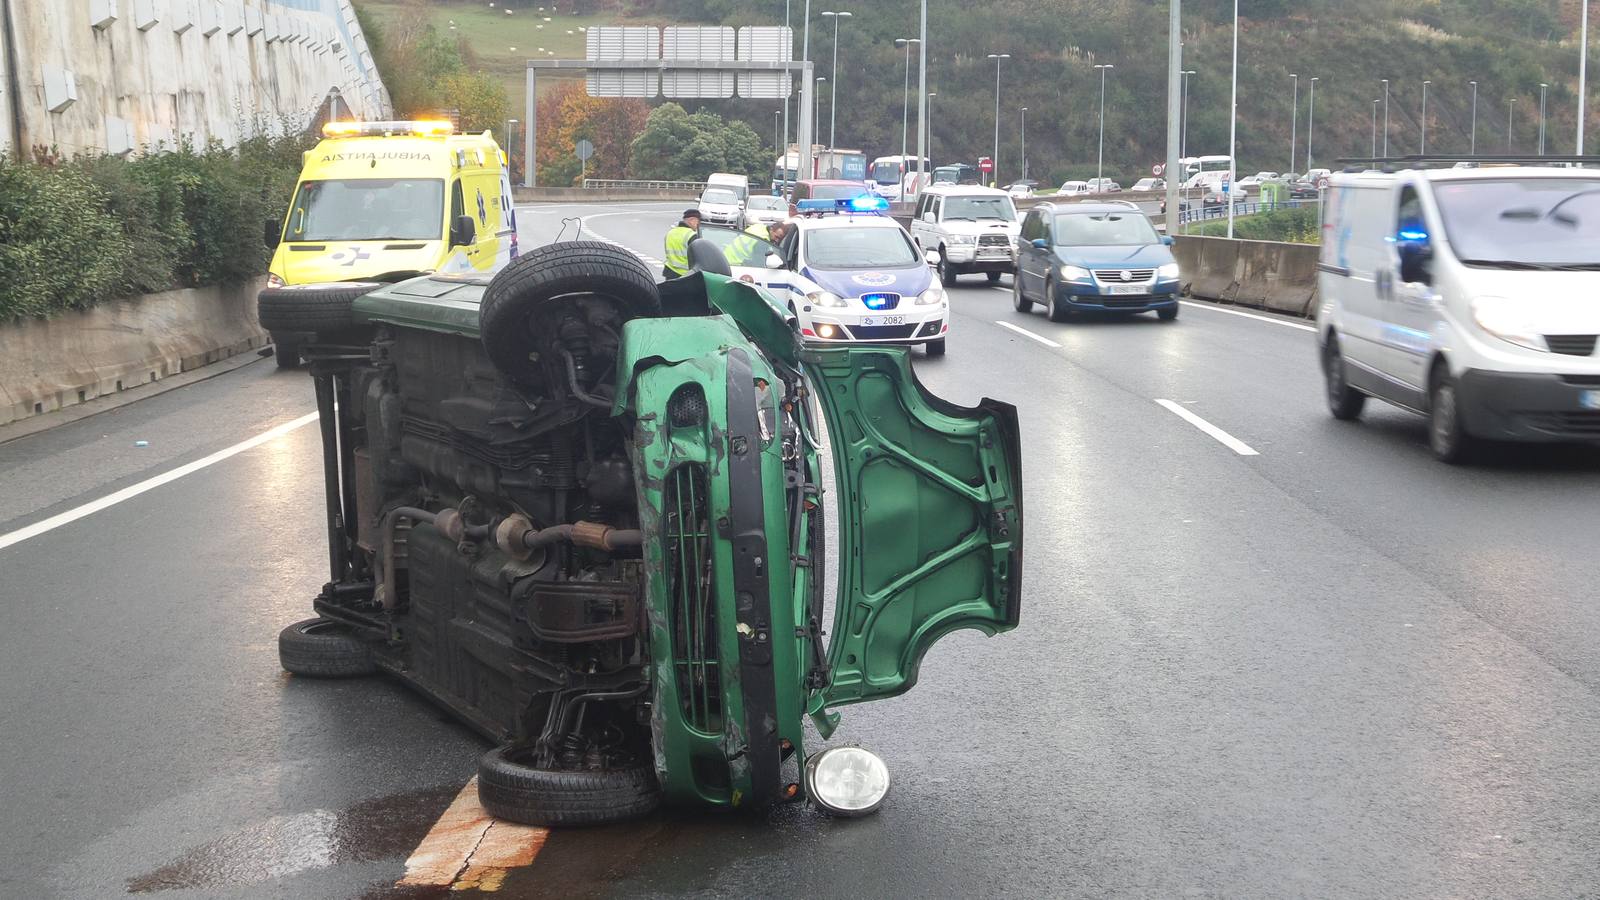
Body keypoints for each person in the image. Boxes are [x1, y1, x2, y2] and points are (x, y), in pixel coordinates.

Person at [662, 209, 701, 278]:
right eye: (698, 221)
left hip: (670, 272)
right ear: (692, 220)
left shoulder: (670, 233)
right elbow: (698, 257)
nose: (698, 224)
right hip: (686, 275)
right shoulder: (691, 235)